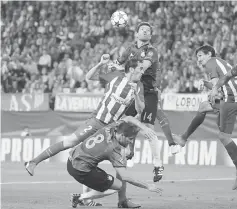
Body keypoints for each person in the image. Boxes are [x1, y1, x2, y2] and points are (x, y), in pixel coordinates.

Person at [24, 54, 147, 208]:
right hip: (96, 121)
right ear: (131, 69)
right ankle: (33, 162)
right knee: (71, 141)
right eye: (140, 68)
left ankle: (121, 201)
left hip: (112, 131)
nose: (143, 71)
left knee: (121, 165)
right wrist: (100, 63)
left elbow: (140, 109)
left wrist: (135, 93)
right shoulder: (115, 76)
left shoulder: (139, 86)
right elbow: (89, 76)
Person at [110, 22, 180, 182]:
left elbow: (143, 67)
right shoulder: (129, 48)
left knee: (148, 129)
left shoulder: (152, 51)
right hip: (133, 89)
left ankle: (157, 164)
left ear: (150, 35)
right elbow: (119, 63)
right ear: (137, 33)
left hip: (149, 92)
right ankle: (128, 154)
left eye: (148, 31)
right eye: (143, 30)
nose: (146, 32)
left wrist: (128, 69)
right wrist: (110, 66)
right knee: (122, 125)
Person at [175, 45, 237, 190]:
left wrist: (209, 87)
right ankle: (183, 138)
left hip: (231, 100)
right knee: (204, 107)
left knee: (224, 136)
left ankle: (183, 138)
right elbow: (219, 85)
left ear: (209, 54)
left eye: (200, 56)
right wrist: (206, 83)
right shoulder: (220, 63)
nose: (199, 60)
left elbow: (216, 88)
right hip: (230, 98)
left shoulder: (211, 62)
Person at [68, 116, 162, 208]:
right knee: (118, 186)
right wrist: (148, 186)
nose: (130, 142)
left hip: (72, 159)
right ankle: (80, 198)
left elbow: (128, 118)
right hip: (80, 169)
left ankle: (83, 197)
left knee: (100, 174)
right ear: (122, 135)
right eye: (130, 139)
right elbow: (126, 177)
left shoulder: (111, 127)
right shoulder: (113, 149)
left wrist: (143, 128)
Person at [209, 64, 237, 190]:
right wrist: (215, 87)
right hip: (232, 102)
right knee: (223, 135)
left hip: (232, 102)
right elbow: (226, 76)